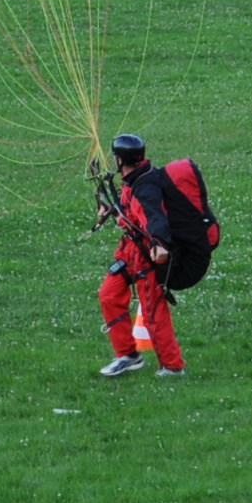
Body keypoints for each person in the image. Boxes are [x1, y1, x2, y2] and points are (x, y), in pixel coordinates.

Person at [96, 131, 186, 380]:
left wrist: (160, 244)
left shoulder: (146, 186)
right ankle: (128, 355)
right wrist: (111, 210)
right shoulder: (134, 179)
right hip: (129, 252)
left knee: (153, 311)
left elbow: (155, 217)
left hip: (148, 256)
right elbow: (132, 212)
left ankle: (173, 366)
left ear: (120, 160)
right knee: (109, 295)